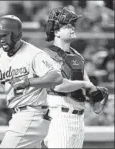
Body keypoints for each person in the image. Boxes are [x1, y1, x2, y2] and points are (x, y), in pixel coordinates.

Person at [0, 15, 63, 148]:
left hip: (32, 113)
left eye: (5, 35)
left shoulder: (34, 54)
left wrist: (29, 82)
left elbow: (56, 78)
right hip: (19, 115)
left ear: (17, 34)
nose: (1, 39)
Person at [43, 7, 109, 148]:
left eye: (72, 25)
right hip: (60, 116)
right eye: (67, 26)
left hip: (78, 117)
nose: (72, 28)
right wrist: (85, 85)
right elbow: (58, 85)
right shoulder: (47, 55)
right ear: (56, 32)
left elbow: (88, 84)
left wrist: (95, 95)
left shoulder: (77, 56)